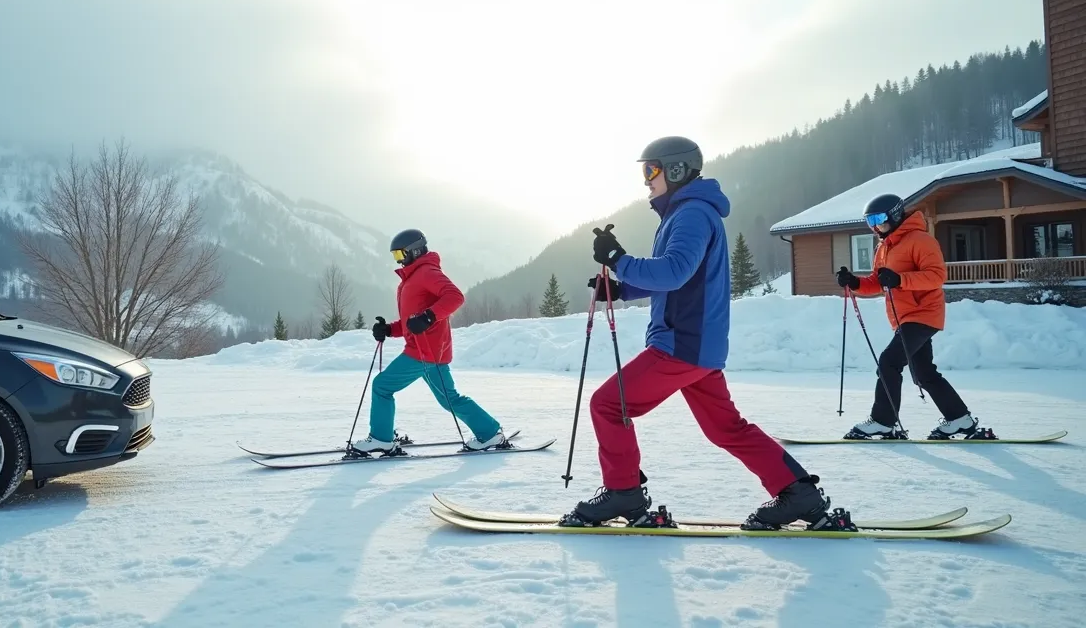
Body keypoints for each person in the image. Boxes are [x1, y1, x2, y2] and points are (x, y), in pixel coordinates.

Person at [565, 135, 843, 531]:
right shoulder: (686, 213)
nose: (645, 180)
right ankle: (799, 494)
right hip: (698, 345)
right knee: (725, 427)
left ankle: (622, 492)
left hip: (682, 343)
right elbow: (677, 275)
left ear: (676, 169)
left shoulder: (692, 214)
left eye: (651, 169)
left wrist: (619, 260)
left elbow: (674, 271)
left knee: (609, 404)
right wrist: (622, 288)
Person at [349, 228, 508, 455]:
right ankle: (489, 432)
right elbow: (412, 322)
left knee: (382, 386)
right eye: (395, 257)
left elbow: (455, 297)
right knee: (449, 399)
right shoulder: (413, 277)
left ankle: (381, 439)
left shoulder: (426, 272)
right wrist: (389, 329)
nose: (399, 260)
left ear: (414, 251)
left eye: (400, 255)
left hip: (423, 352)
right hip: (430, 351)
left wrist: (429, 316)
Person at [835, 194, 980, 440]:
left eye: (879, 218)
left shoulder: (921, 240)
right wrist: (855, 282)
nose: (874, 225)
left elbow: (936, 276)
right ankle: (960, 419)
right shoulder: (884, 247)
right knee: (923, 373)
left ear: (894, 214)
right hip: (904, 317)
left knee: (889, 362)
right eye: (870, 220)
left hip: (923, 313)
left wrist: (900, 279)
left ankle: (883, 422)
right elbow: (879, 283)